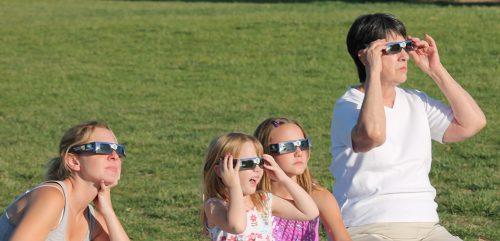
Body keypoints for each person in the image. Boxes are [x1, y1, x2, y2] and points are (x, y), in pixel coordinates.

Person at [329, 13, 486, 241]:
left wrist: (435, 70)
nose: (405, 56)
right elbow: (373, 135)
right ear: (365, 56)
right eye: (394, 48)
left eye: (406, 46)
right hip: (368, 228)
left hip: (427, 227)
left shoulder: (416, 101)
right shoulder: (348, 106)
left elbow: (472, 123)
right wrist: (372, 72)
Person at [0, 120, 131, 241]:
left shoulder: (92, 219)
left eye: (119, 150)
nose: (114, 156)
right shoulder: (51, 197)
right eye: (103, 148)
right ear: (73, 161)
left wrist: (108, 211)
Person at [201, 132, 319, 241]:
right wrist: (233, 186)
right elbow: (237, 226)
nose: (257, 169)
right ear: (221, 170)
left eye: (259, 162)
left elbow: (310, 212)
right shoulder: (214, 206)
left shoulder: (262, 200)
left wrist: (283, 178)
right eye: (248, 163)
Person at [254, 117, 352, 241]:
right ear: (265, 153)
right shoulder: (254, 198)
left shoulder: (318, 197)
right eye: (287, 147)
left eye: (303, 144)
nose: (299, 152)